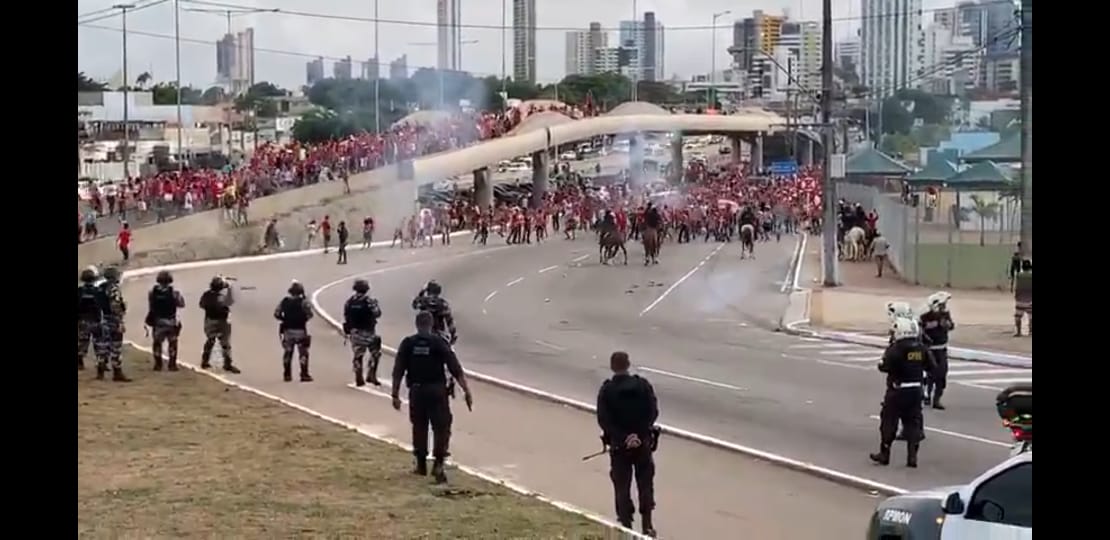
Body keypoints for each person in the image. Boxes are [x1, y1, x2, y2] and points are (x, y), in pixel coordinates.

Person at [391, 311, 473, 484]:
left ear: (417, 324)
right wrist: (466, 391)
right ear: (431, 324)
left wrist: (395, 394)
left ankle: (421, 464)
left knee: (419, 426)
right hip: (437, 391)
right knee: (442, 427)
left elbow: (398, 370)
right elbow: (455, 368)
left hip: (417, 391)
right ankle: (438, 463)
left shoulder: (408, 343)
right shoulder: (439, 342)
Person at [596, 351, 659, 536]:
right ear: (628, 364)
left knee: (622, 485)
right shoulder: (643, 386)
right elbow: (652, 412)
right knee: (645, 483)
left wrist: (624, 437)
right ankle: (647, 524)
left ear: (612, 366)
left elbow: (604, 419)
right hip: (643, 443)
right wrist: (638, 435)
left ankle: (626, 523)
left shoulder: (607, 390)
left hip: (619, 446)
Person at [871, 318, 936, 468]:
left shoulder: (896, 348)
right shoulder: (921, 348)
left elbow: (884, 367)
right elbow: (932, 366)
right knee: (913, 423)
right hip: (916, 390)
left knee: (889, 421)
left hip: (897, 390)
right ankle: (912, 457)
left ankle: (884, 454)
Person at [343, 278, 384, 387]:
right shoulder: (369, 301)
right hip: (368, 332)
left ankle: (358, 377)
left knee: (358, 355)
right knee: (375, 353)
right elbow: (377, 313)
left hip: (355, 332)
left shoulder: (350, 301)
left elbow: (346, 316)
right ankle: (372, 374)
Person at [919, 291, 955, 409]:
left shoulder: (945, 315)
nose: (943, 307)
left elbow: (951, 326)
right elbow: (920, 330)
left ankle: (937, 399)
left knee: (942, 375)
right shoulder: (925, 317)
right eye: (941, 305)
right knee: (930, 374)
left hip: (942, 349)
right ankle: (927, 395)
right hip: (930, 350)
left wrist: (946, 324)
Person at [274, 280, 314, 382]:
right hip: (300, 330)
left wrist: (284, 319)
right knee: (303, 353)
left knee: (288, 352)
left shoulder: (284, 301)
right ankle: (304, 374)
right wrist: (303, 318)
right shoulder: (304, 302)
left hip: (287, 330)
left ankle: (287, 374)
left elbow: (277, 313)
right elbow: (310, 314)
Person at [198, 275, 240, 374]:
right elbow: (230, 302)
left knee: (210, 341)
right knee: (225, 344)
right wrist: (230, 288)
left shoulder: (206, 295)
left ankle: (205, 361)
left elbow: (201, 305)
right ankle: (227, 364)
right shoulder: (222, 296)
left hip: (209, 320)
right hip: (222, 321)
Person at [96, 266, 131, 382]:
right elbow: (115, 306)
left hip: (103, 319)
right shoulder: (114, 289)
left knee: (103, 346)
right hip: (113, 320)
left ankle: (100, 371)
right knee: (116, 347)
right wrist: (120, 320)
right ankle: (117, 372)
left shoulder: (100, 288)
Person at [145, 270, 185, 372]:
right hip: (171, 321)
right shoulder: (174, 293)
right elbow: (181, 304)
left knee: (157, 343)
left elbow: (151, 306)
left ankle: (158, 365)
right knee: (172, 344)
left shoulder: (152, 292)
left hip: (158, 322)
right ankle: (172, 365)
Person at [77, 266, 108, 372]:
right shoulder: (98, 291)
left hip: (83, 321)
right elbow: (104, 306)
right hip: (96, 320)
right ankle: (100, 367)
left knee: (82, 342)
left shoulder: (79, 291)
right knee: (99, 344)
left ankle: (80, 361)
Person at [1013, 259, 1032, 337]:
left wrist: (1016, 296)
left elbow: (1017, 287)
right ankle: (1031, 331)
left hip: (1020, 299)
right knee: (1031, 316)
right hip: (1030, 299)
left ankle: (1018, 332)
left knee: (1018, 316)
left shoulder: (1018, 275)